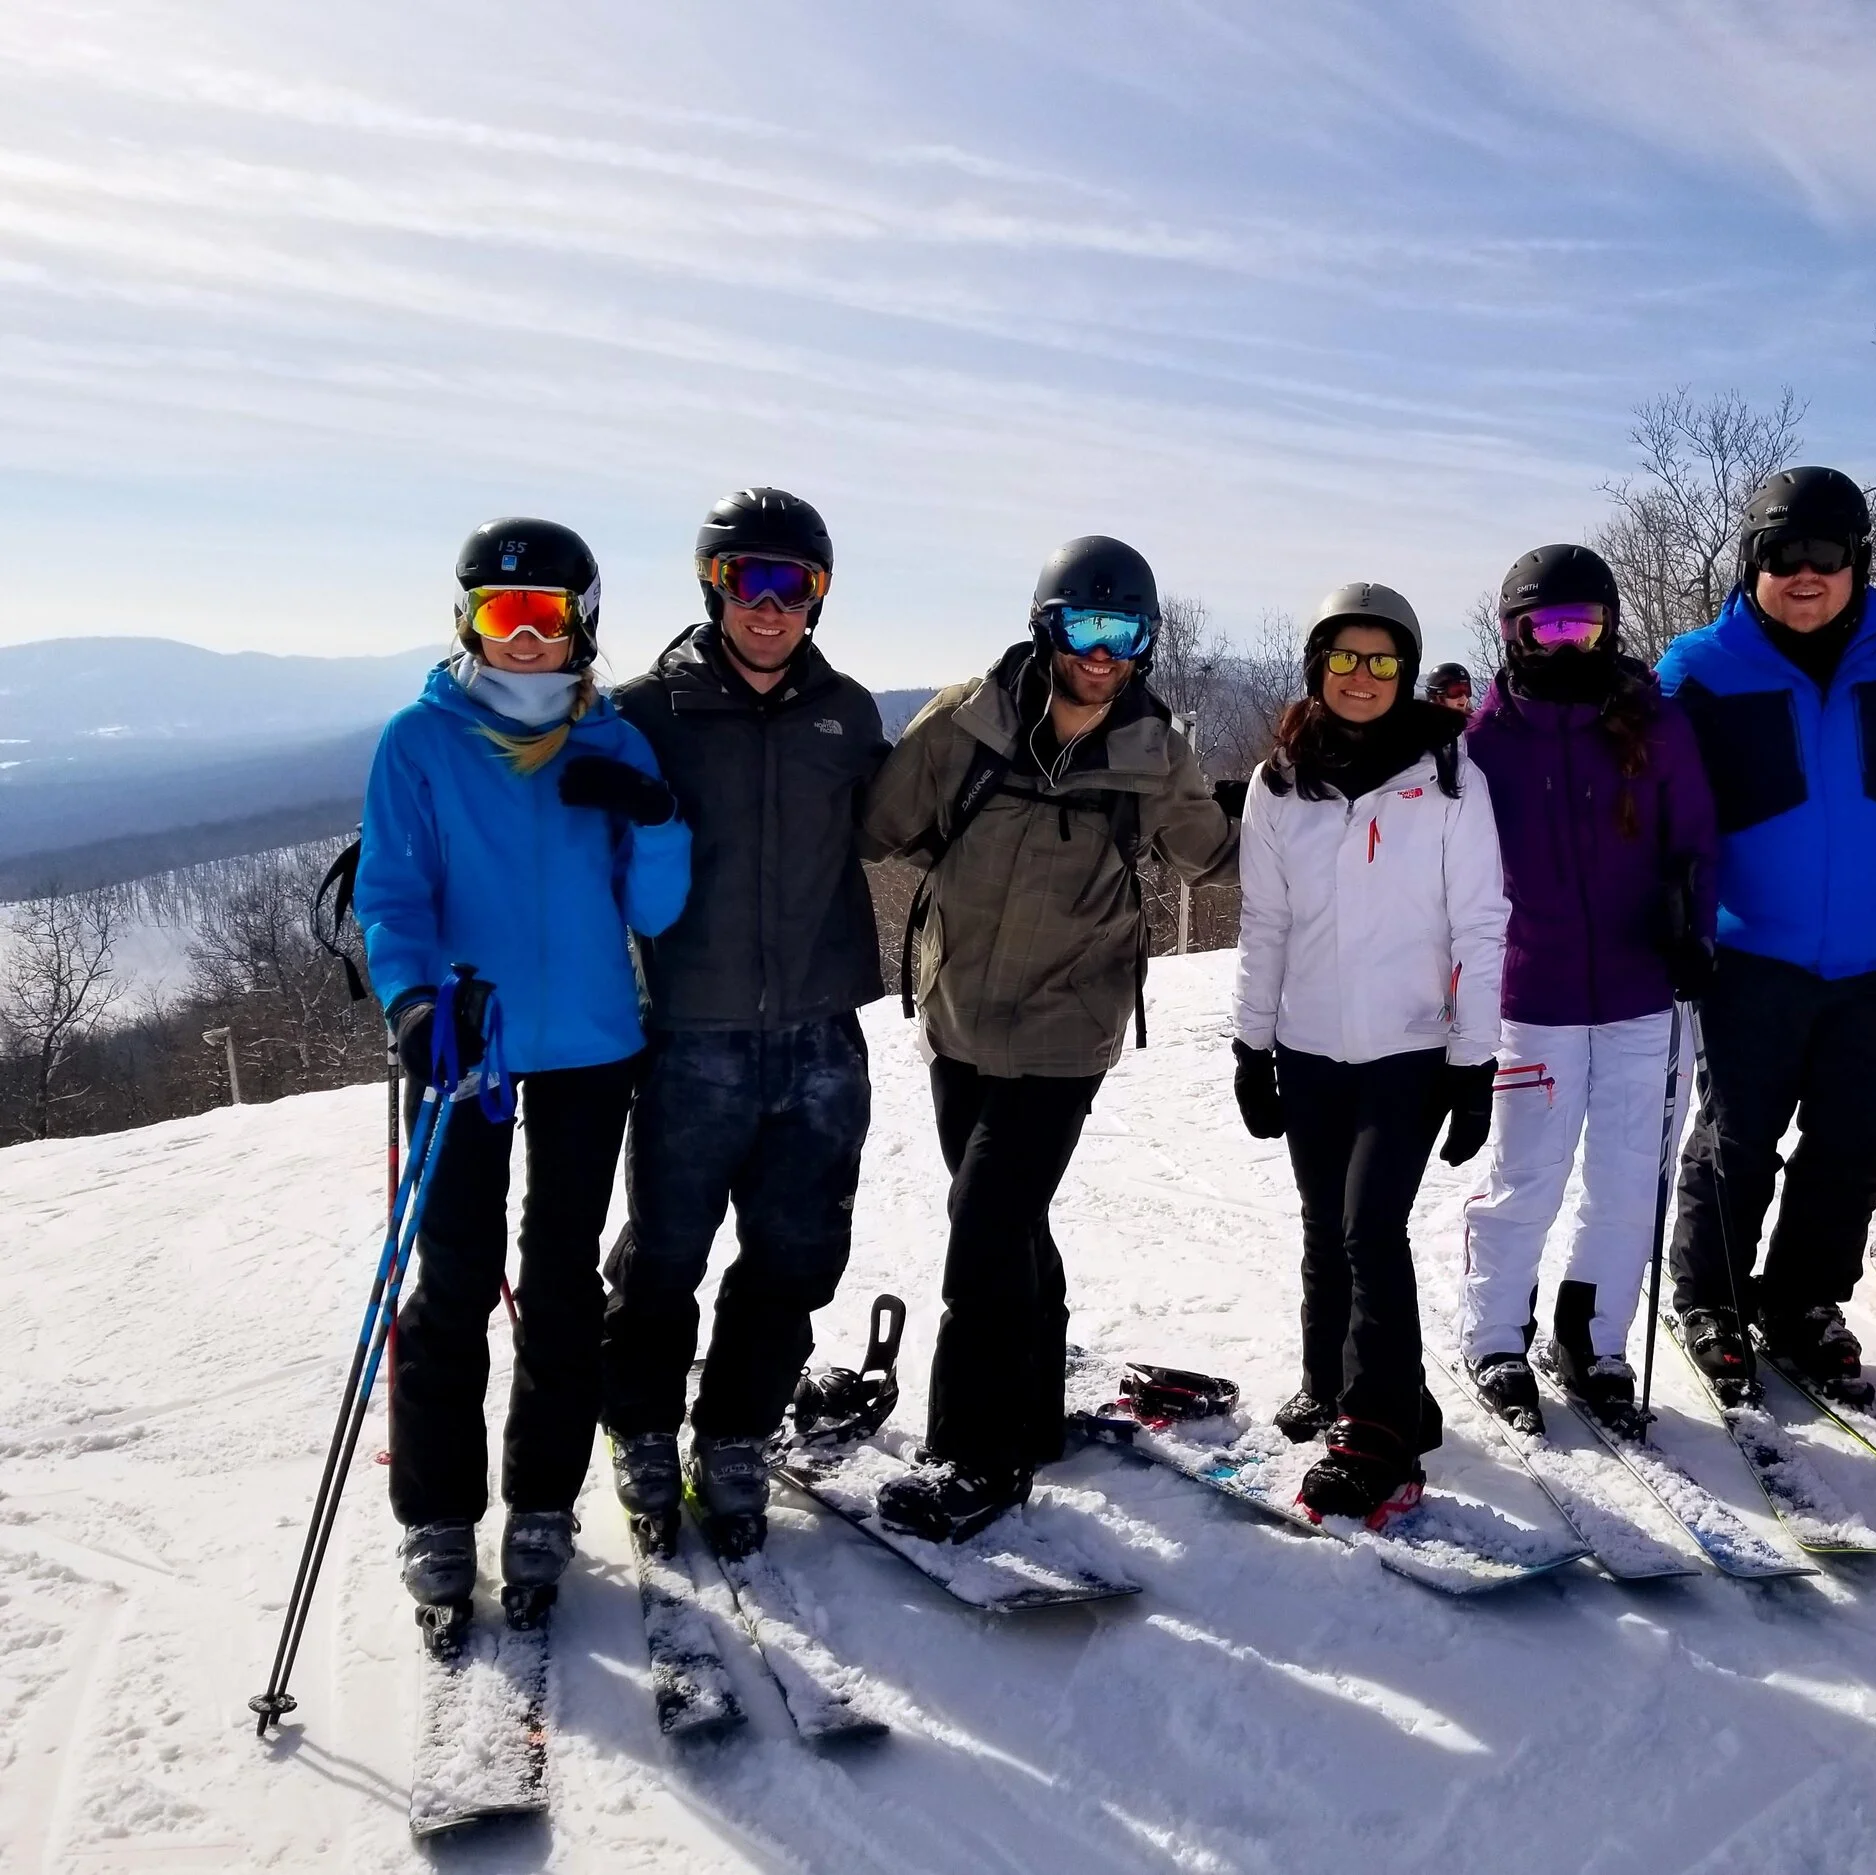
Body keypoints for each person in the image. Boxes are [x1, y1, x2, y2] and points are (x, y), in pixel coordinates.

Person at [861, 536, 1239, 1540]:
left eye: (1125, 632)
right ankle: (1029, 1409)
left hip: (1069, 1025)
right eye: (1084, 626)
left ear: (1146, 642)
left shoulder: (1153, 753)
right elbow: (881, 825)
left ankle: (976, 1456)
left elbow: (1211, 856)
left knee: (985, 1224)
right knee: (1010, 1218)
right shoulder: (965, 722)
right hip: (960, 1013)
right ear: (1046, 627)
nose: (1102, 652)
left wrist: (1283, 800)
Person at [358, 517, 690, 1635]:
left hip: (592, 1044)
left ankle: (542, 1500)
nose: (525, 637)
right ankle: (438, 1514)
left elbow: (656, 912)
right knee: (454, 1280)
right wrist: (410, 1000)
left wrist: (656, 821)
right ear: (467, 620)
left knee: (559, 1284)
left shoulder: (615, 741)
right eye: (502, 613)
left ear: (583, 623)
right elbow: (393, 896)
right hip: (467, 1043)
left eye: (546, 615)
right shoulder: (420, 740)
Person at [600, 488, 890, 1556]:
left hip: (819, 1035)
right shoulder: (644, 714)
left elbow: (910, 819)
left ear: (818, 596)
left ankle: (733, 1432)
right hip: (693, 1036)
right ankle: (641, 1425)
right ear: (711, 586)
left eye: (792, 585)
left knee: (795, 1255)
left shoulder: (847, 714)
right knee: (665, 1252)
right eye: (746, 581)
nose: (769, 607)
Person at [1655, 467, 1876, 1406]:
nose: (1804, 573)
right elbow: (1647, 803)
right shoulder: (1700, 668)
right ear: (1753, 563)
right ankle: (1710, 1299)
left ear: (1859, 560)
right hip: (1750, 956)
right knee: (1737, 1140)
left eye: (1825, 552)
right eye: (1781, 554)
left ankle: (1802, 1300)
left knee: (1857, 1142)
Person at [1232, 584, 1508, 1519]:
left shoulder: (1451, 776)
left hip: (1410, 1049)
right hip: (1309, 1045)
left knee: (1368, 1227)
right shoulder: (1279, 784)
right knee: (1324, 1222)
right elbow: (1265, 924)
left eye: (1382, 660)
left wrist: (1474, 1062)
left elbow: (1481, 924)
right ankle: (1334, 1382)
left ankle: (1381, 1430)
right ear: (1318, 667)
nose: (1362, 676)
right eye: (1344, 658)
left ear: (1406, 671)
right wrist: (1251, 1045)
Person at [1458, 544, 1718, 1433]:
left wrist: (1696, 932)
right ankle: (1497, 1336)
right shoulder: (1483, 746)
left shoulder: (1655, 724)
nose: (1567, 643)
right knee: (1526, 1175)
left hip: (1646, 990)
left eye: (1584, 624)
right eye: (1547, 626)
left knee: (1628, 1177)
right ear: (1513, 633)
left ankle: (1594, 1337)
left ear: (1609, 627)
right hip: (1535, 999)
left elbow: (1697, 840)